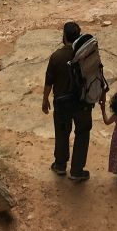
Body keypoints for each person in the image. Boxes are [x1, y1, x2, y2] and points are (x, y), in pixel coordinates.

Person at [41, 21, 92, 182]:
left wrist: (45, 100)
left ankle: (60, 165)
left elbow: (49, 81)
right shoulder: (87, 53)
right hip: (83, 103)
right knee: (82, 133)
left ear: (64, 36)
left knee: (62, 133)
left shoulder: (57, 56)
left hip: (62, 104)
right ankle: (77, 170)